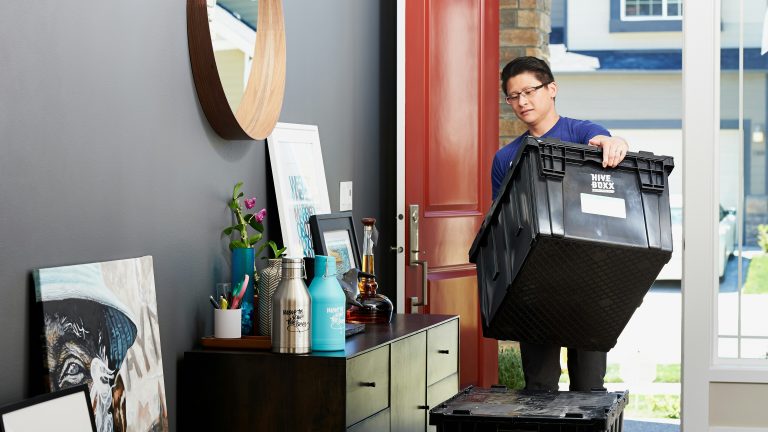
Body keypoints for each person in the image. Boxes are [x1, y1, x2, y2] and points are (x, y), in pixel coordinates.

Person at [492, 56, 629, 392]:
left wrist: (614, 144)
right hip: (535, 285)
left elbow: (604, 140)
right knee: (539, 386)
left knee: (589, 386)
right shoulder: (505, 158)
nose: (522, 102)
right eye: (513, 96)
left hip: (591, 281)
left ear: (551, 89)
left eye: (529, 91)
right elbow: (502, 225)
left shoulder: (579, 132)